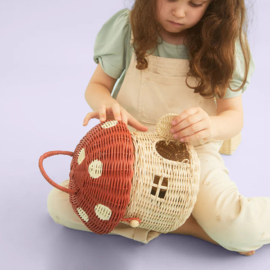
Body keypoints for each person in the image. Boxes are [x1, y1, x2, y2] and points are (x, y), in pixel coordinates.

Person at [47, 0, 267, 256]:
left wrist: (210, 126)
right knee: (60, 204)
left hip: (192, 153)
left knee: (241, 229)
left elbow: (234, 117)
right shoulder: (129, 29)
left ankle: (171, 218)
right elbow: (96, 86)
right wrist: (107, 104)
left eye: (195, 3)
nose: (179, 12)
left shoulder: (223, 41)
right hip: (131, 151)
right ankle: (191, 227)